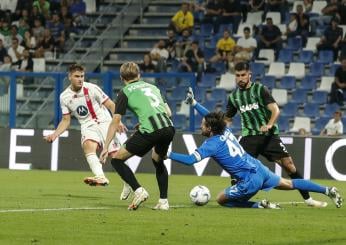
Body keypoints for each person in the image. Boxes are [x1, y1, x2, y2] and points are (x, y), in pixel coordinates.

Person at [167, 109, 343, 209]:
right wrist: (196, 104)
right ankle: (328, 190)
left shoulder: (211, 144)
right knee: (290, 184)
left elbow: (190, 160)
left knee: (221, 199)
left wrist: (168, 154)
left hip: (249, 181)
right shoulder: (225, 130)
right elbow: (213, 117)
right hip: (259, 168)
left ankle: (259, 205)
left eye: (203, 125)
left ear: (210, 128)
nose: (201, 126)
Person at [223, 61, 327, 207]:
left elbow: (275, 109)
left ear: (249, 75)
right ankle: (235, 199)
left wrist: (269, 124)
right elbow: (227, 118)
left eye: (243, 75)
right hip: (249, 137)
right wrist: (221, 127)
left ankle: (308, 199)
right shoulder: (234, 97)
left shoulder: (260, 90)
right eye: (238, 76)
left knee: (289, 166)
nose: (240, 78)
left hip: (269, 136)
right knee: (237, 168)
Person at [43, 64, 132, 200]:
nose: (80, 79)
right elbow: (66, 120)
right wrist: (55, 134)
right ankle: (101, 177)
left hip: (104, 122)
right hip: (87, 125)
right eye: (77, 76)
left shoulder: (92, 88)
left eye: (82, 76)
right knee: (88, 146)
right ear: (70, 77)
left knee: (115, 157)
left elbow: (111, 105)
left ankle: (128, 183)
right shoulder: (64, 97)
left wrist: (118, 121)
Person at [100, 62, 175, 211]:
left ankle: (139, 191)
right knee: (157, 160)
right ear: (139, 75)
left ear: (122, 78)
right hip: (168, 128)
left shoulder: (125, 92)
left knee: (117, 160)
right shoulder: (153, 87)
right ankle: (163, 201)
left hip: (151, 130)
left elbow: (115, 121)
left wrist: (106, 146)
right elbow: (168, 113)